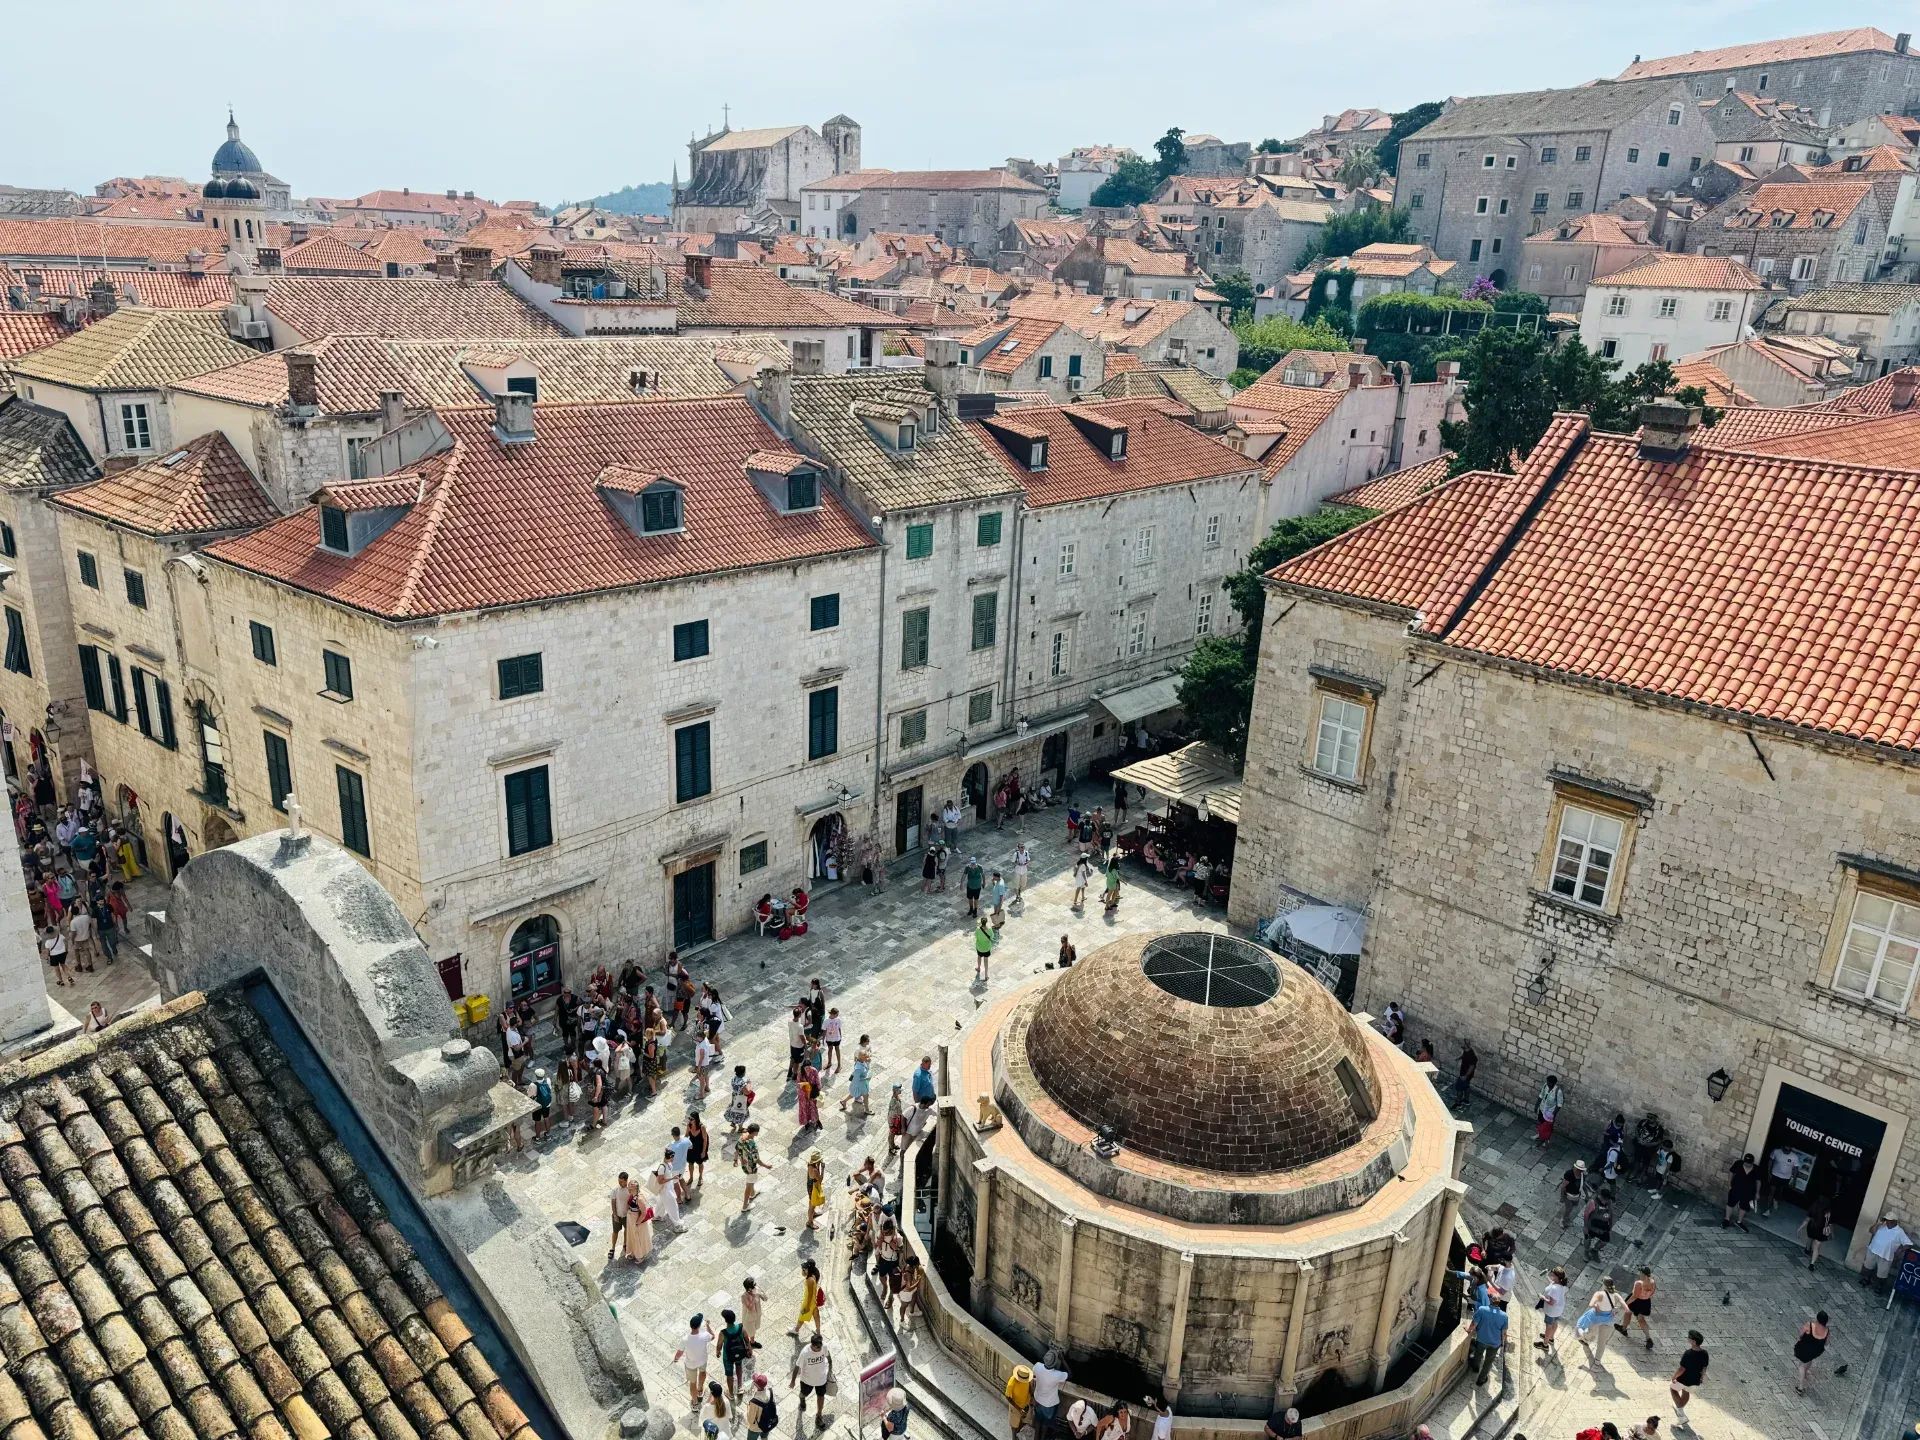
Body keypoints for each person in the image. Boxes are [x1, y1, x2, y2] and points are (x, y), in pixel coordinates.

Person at [789, 1330, 833, 1432]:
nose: (820, 1348)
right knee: (804, 1393)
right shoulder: (805, 1352)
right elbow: (797, 1366)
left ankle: (819, 1416)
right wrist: (792, 1381)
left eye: (820, 1345)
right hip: (807, 1380)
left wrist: (830, 1369)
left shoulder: (823, 1347)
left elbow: (828, 1355)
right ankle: (802, 1399)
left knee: (821, 1396)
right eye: (817, 1347)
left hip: (821, 1379)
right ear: (812, 1345)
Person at [1576, 1277, 1623, 1364]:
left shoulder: (1600, 1294)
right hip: (1608, 1321)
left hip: (1598, 1318)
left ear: (1604, 1285)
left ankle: (1585, 1338)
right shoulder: (1615, 1295)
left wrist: (1596, 1307)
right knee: (1602, 1341)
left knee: (1590, 1330)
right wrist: (1616, 1311)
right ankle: (1597, 1360)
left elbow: (1591, 1304)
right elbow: (1623, 1306)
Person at [673, 1314, 715, 1410]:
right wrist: (708, 1326)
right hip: (702, 1360)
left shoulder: (685, 1339)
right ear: (699, 1325)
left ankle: (695, 1403)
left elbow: (680, 1352)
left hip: (690, 1364)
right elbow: (713, 1336)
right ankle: (700, 1390)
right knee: (702, 1373)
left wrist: (676, 1358)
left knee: (692, 1383)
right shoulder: (704, 1335)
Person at [1862, 1213, 1912, 1292]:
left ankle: (1878, 1287)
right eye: (1886, 1220)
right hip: (1873, 1250)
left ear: (1895, 1221)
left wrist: (1900, 1250)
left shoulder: (1900, 1232)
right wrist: (1877, 1223)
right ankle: (1866, 1280)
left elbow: (1908, 1244)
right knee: (1868, 1267)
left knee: (1882, 1274)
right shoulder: (1882, 1226)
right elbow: (1871, 1230)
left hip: (1885, 1256)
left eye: (1890, 1221)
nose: (1887, 1222)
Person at [1467, 1291, 1507, 1386]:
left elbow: (1474, 1323)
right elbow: (1504, 1333)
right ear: (1499, 1303)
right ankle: (1481, 1379)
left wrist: (1468, 1330)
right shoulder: (1504, 1316)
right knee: (1488, 1361)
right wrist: (1502, 1342)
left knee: (1478, 1353)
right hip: (1495, 1343)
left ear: (1489, 1300)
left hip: (1482, 1339)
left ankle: (1475, 1368)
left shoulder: (1482, 1310)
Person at [1671, 1331, 1708, 1429]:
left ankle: (1681, 1414)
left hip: (1684, 1379)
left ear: (1694, 1341)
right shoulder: (1704, 1353)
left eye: (1690, 1338)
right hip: (1695, 1380)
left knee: (1673, 1390)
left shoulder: (1688, 1354)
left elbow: (1682, 1369)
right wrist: (1702, 1377)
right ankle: (1680, 1409)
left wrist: (1674, 1377)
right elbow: (1704, 1367)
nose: (1688, 1339)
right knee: (1686, 1392)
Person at [1534, 1266, 1569, 1361]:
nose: (1552, 1274)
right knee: (1555, 1323)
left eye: (1553, 1273)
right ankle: (1551, 1338)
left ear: (1557, 1276)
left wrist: (1542, 1297)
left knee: (1548, 1326)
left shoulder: (1554, 1288)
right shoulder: (1562, 1284)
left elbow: (1551, 1302)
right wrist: (1547, 1277)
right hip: (1559, 1309)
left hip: (1551, 1311)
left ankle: (1545, 1344)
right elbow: (1552, 1283)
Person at [718, 1309, 751, 1405]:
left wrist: (718, 1351)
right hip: (739, 1353)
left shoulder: (723, 1333)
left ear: (725, 1320)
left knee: (729, 1373)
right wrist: (749, 1349)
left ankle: (731, 1394)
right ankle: (740, 1387)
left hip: (728, 1356)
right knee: (739, 1367)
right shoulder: (741, 1328)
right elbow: (747, 1339)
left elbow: (719, 1345)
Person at [1031, 1350, 1068, 1435]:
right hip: (1049, 1404)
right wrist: (1063, 1360)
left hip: (1037, 1400)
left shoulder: (1037, 1366)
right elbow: (1070, 1374)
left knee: (1038, 1420)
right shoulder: (1057, 1375)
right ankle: (1043, 1437)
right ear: (1055, 1363)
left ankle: (1036, 1436)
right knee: (1045, 1424)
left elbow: (1034, 1376)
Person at [1622, 1266, 1656, 1350]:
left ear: (1642, 1274)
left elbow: (1635, 1296)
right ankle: (1648, 1338)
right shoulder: (1652, 1282)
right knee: (1641, 1319)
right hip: (1646, 1302)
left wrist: (1626, 1303)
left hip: (1637, 1301)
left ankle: (1623, 1329)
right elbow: (1652, 1294)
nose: (1639, 1274)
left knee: (1628, 1311)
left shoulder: (1639, 1283)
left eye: (1640, 1272)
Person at [1724, 1154, 1760, 1230]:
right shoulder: (1738, 1164)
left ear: (1752, 1162)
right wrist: (1729, 1184)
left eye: (1749, 1163)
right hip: (1736, 1188)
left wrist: (1757, 1192)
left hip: (1748, 1191)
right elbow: (1731, 1173)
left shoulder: (1757, 1169)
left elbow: (1758, 1181)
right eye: (1746, 1163)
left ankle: (1739, 1221)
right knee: (1730, 1203)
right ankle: (1727, 1219)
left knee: (1744, 1206)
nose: (1747, 1164)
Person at [1803, 1190, 1834, 1269]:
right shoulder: (1828, 1212)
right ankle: (1812, 1264)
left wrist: (1801, 1227)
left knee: (1810, 1238)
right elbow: (1830, 1225)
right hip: (1821, 1232)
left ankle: (1807, 1249)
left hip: (1812, 1227)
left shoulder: (1814, 1207)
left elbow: (1807, 1218)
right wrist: (1832, 1234)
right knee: (1817, 1246)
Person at [1584, 1189, 1614, 1263]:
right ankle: (1586, 1252)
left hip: (1603, 1226)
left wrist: (1610, 1225)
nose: (1605, 1201)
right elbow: (1586, 1214)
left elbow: (1611, 1213)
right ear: (1601, 1196)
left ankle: (1594, 1250)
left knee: (1605, 1241)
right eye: (1604, 1199)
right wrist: (1585, 1226)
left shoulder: (1609, 1202)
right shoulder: (1592, 1202)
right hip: (1593, 1225)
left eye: (1607, 1200)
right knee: (1588, 1238)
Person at [1004, 1364, 1034, 1437]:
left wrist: (1032, 1396)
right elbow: (1007, 1397)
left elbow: (1029, 1386)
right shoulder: (1012, 1382)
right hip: (1015, 1406)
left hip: (1026, 1403)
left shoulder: (1026, 1377)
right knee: (1014, 1424)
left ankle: (1017, 1431)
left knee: (1027, 1420)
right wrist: (1019, 1409)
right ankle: (1014, 1437)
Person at [1559, 1160, 1588, 1228]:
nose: (1581, 1171)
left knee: (1572, 1207)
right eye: (1580, 1170)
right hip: (1568, 1195)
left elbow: (1583, 1185)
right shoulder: (1569, 1174)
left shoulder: (1582, 1175)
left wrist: (1587, 1195)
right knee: (1569, 1208)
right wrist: (1562, 1197)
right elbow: (1563, 1186)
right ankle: (1563, 1220)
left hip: (1577, 1195)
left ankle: (1566, 1217)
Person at [1535, 1074, 1564, 1144]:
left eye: (1549, 1083)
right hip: (1542, 1108)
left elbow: (1559, 1104)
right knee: (1540, 1123)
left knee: (1547, 1127)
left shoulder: (1558, 1092)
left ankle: (1545, 1140)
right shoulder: (1545, 1086)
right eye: (1547, 1082)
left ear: (1554, 1083)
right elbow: (1541, 1095)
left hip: (1549, 1112)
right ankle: (1539, 1135)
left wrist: (1553, 1114)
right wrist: (1536, 1106)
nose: (1548, 1084)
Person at [686, 1112, 710, 1191]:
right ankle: (691, 1177)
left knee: (700, 1163)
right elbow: (686, 1135)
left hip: (699, 1148)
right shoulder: (689, 1125)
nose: (690, 1120)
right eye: (689, 1119)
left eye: (691, 1119)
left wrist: (703, 1151)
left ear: (696, 1119)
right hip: (691, 1148)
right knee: (690, 1163)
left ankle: (700, 1177)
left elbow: (705, 1140)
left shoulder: (701, 1127)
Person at [528, 1068, 552, 1142]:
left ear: (536, 1075)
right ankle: (548, 1135)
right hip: (546, 1104)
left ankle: (537, 1138)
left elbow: (529, 1095)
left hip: (537, 1105)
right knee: (546, 1118)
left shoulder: (533, 1085)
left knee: (537, 1121)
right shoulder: (548, 1080)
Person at [804, 1151, 826, 1232]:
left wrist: (819, 1165)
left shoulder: (810, 1165)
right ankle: (810, 1222)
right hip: (813, 1188)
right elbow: (820, 1179)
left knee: (812, 1202)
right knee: (812, 1205)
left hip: (810, 1185)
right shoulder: (814, 1170)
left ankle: (813, 1213)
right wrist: (823, 1168)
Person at [1452, 1042, 1477, 1107]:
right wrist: (1459, 1058)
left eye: (1463, 1043)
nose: (1462, 1044)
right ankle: (1466, 1100)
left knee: (1459, 1088)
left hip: (1465, 1074)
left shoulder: (1471, 1055)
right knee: (1466, 1086)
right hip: (1466, 1074)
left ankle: (1458, 1103)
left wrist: (1465, 1076)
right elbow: (1464, 1056)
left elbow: (1472, 1066)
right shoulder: (1467, 1051)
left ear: (1466, 1045)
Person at [974, 915, 994, 983]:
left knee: (979, 957)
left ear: (981, 923)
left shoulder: (978, 929)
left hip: (979, 947)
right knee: (986, 960)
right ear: (986, 923)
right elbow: (992, 936)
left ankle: (978, 968)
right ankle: (986, 975)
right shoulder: (989, 930)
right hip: (986, 947)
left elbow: (975, 936)